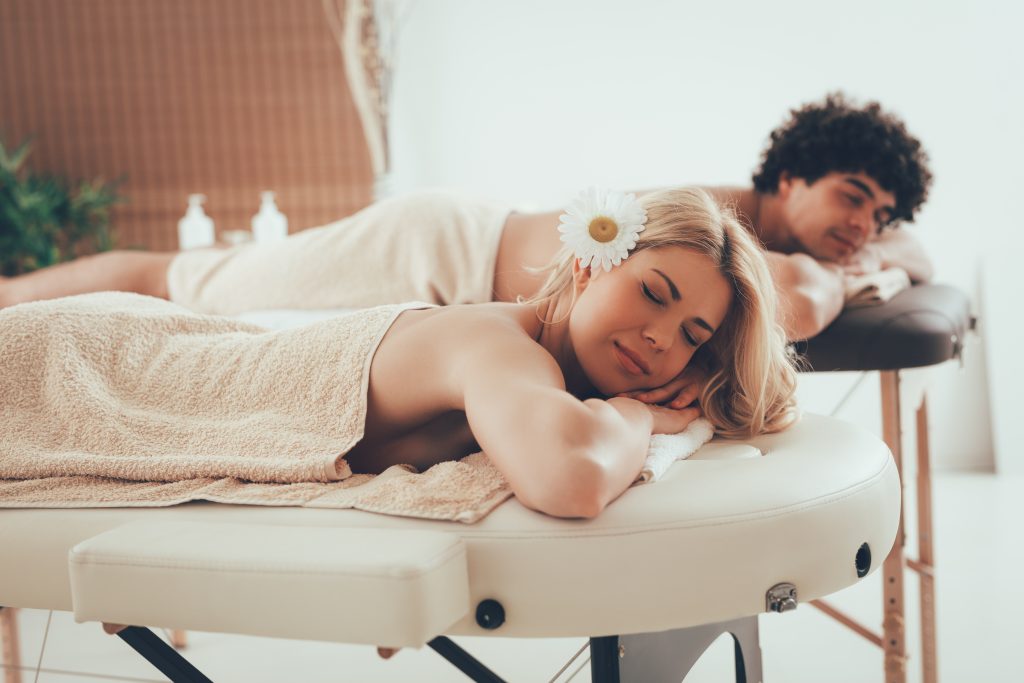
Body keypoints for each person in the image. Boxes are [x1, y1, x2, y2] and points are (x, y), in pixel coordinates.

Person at [1, 187, 797, 519]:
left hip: (125, 351)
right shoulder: (494, 342)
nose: (662, 338)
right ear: (593, 260)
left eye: (693, 337)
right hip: (79, 363)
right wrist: (633, 414)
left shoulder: (537, 368)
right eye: (655, 294)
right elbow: (573, 474)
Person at [0, 92, 932, 346]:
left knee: (191, 293)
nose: (865, 226)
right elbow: (803, 300)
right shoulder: (718, 221)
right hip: (438, 250)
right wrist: (860, 274)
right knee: (183, 284)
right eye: (853, 198)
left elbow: (905, 251)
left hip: (456, 263)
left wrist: (888, 253)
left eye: (879, 215)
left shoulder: (763, 235)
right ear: (793, 175)